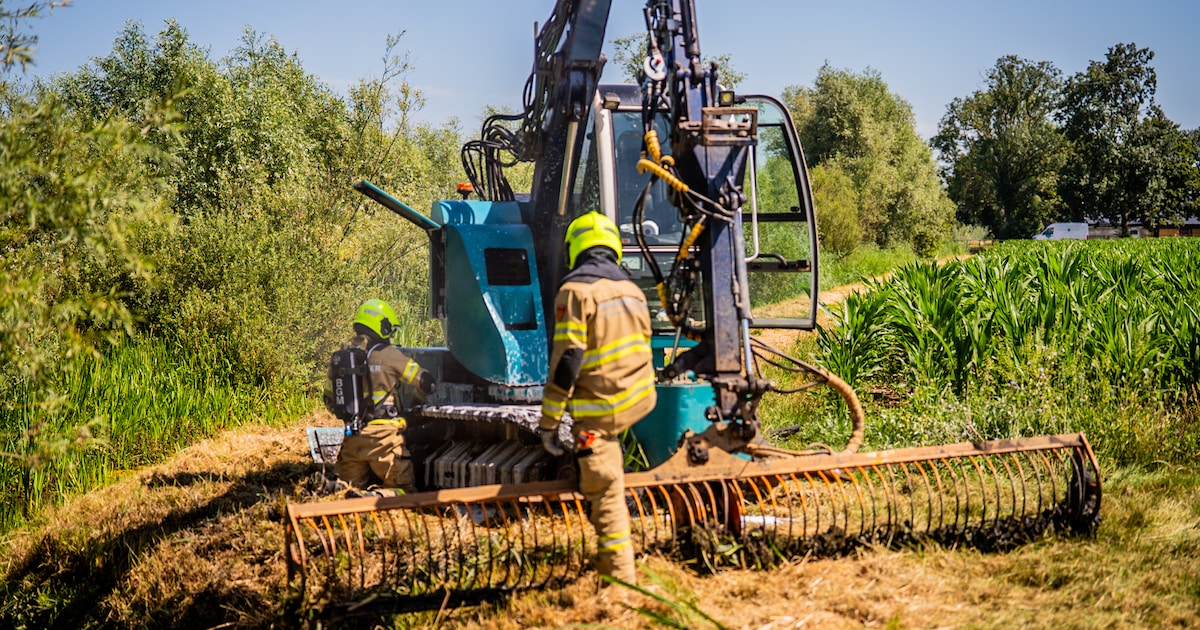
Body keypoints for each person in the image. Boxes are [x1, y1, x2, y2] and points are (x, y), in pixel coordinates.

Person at [538, 211, 658, 585]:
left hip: (600, 414)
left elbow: (568, 362)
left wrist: (549, 422)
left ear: (575, 250)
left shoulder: (575, 292)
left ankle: (620, 584)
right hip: (639, 400)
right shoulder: (633, 291)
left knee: (605, 495)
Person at [323, 298, 435, 496]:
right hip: (385, 439)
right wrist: (415, 403)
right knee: (405, 491)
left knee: (346, 489)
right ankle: (375, 497)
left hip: (353, 439)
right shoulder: (389, 355)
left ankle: (333, 488)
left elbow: (329, 399)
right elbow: (426, 382)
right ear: (382, 326)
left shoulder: (341, 359)